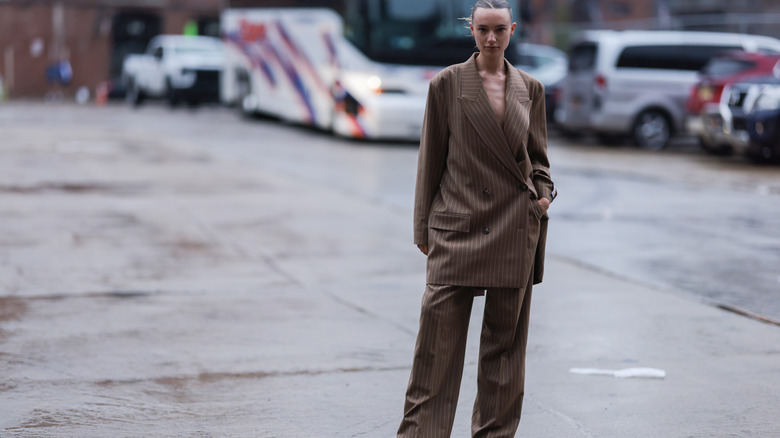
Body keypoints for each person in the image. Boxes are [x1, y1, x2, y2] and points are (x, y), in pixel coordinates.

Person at [398, 0, 555, 436]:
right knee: (436, 354)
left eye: (499, 30)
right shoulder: (447, 84)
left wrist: (542, 198)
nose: (491, 38)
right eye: (483, 29)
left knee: (504, 357)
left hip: (513, 227)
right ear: (470, 29)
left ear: (512, 30)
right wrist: (422, 228)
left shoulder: (531, 88)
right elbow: (430, 159)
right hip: (457, 228)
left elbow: (539, 160)